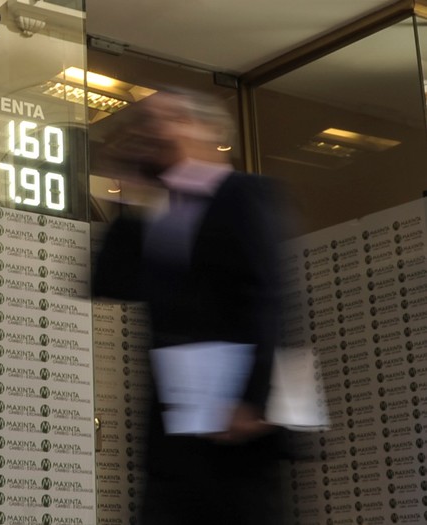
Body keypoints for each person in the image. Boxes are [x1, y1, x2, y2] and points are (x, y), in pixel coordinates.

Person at [93, 88, 291, 525]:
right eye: (146, 123)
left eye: (165, 119)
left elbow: (266, 294)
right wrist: (128, 189)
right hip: (174, 421)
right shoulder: (157, 209)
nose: (151, 132)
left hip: (237, 419)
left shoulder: (242, 193)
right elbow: (110, 281)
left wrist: (253, 399)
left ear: (204, 129)